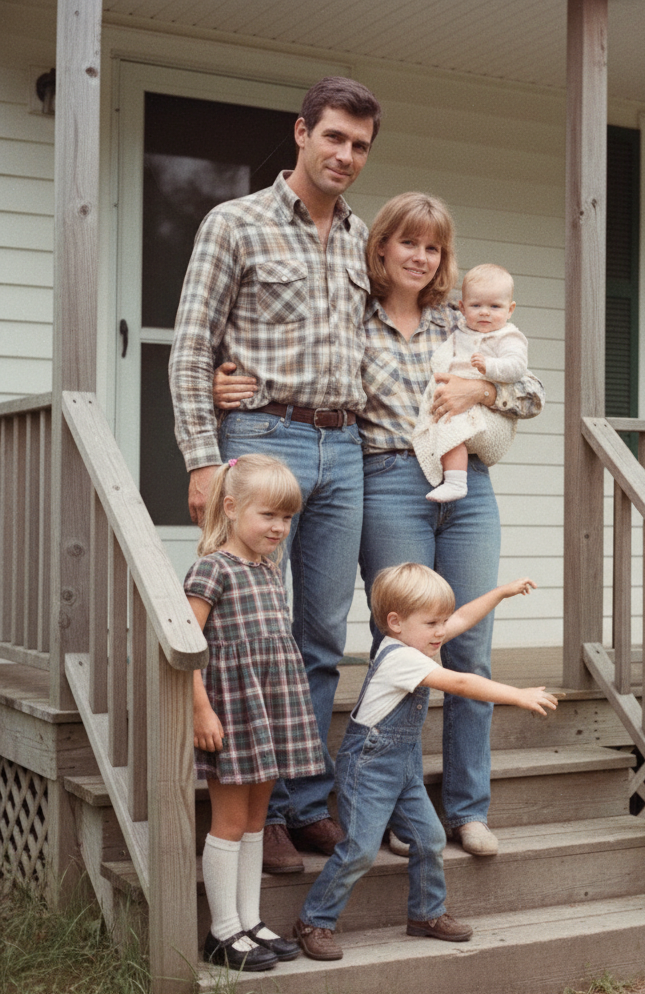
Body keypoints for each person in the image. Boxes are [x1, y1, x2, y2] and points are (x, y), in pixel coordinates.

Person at [212, 191, 545, 858]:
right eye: (409, 243)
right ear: (382, 249)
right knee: (404, 648)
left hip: (470, 487)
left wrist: (485, 389)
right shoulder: (352, 323)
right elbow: (297, 369)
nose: (421, 257)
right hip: (388, 481)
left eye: (433, 248)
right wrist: (235, 383)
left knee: (469, 647)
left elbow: (531, 393)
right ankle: (394, 806)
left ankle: (468, 808)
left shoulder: (460, 325)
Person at [169, 76, 382, 873]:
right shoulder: (237, 223)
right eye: (334, 137)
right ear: (301, 133)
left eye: (360, 145)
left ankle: (297, 802)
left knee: (323, 631)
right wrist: (201, 454)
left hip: (347, 446)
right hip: (262, 439)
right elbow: (193, 348)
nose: (346, 155)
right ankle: (247, 806)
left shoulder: (365, 238)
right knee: (248, 631)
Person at [292, 562, 557, 961]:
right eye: (433, 623)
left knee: (430, 839)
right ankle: (314, 920)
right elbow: (462, 683)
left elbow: (464, 616)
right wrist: (516, 694)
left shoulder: (419, 638)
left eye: (443, 622)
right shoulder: (400, 656)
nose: (442, 632)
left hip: (403, 768)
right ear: (396, 622)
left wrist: (500, 592)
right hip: (368, 769)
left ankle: (425, 914)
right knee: (360, 851)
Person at [185, 454, 327, 972]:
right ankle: (222, 932)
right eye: (268, 515)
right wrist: (201, 710)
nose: (279, 527)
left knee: (254, 821)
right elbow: (185, 648)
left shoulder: (267, 569)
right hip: (233, 709)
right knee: (228, 821)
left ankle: (249, 920)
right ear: (231, 507)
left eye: (287, 518)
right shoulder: (211, 568)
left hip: (272, 707)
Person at [411, 263, 527, 503]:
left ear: (510, 309)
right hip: (455, 402)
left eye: (495, 306)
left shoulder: (507, 336)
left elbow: (517, 367)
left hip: (484, 411)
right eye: (476, 306)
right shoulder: (460, 331)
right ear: (462, 308)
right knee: (448, 426)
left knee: (453, 430)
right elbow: (444, 354)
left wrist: (489, 368)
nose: (485, 312)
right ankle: (453, 478)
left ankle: (456, 482)